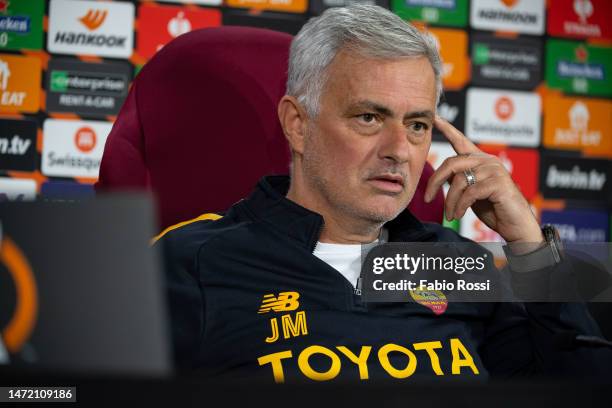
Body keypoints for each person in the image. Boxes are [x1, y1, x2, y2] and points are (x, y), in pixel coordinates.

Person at [156, 5, 611, 382]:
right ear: (298, 124)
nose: (400, 151)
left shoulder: (457, 262)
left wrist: (530, 248)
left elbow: (582, 386)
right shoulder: (187, 262)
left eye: (417, 125)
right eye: (369, 118)